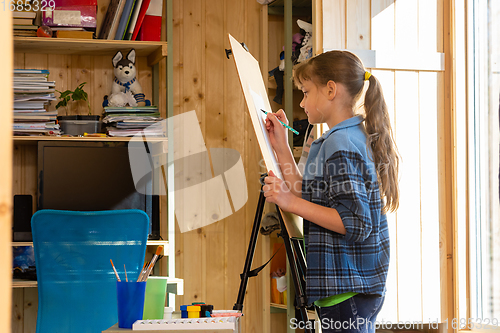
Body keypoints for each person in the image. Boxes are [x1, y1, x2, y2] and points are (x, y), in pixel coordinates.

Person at [262, 50, 399, 333]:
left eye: (305, 92)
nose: (302, 102)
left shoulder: (342, 144)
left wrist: (288, 202)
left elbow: (355, 223)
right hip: (351, 288)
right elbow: (312, 195)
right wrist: (282, 147)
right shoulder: (341, 137)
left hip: (349, 290)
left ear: (331, 90)